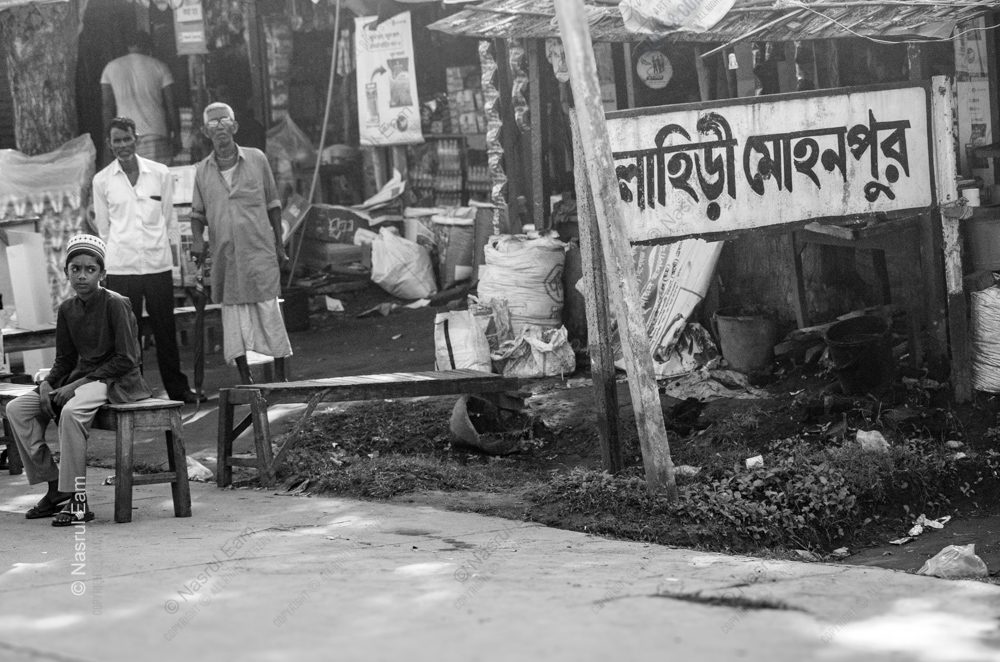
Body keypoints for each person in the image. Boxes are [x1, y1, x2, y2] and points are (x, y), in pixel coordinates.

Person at [9, 234, 151, 526]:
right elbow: (64, 359)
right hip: (80, 379)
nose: (82, 275)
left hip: (117, 381)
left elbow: (127, 358)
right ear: (67, 273)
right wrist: (47, 385)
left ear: (103, 274)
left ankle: (78, 500)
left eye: (90, 269)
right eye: (76, 269)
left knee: (72, 413)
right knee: (17, 410)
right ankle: (54, 486)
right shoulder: (67, 309)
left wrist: (74, 386)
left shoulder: (116, 304)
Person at [92, 116, 203, 404]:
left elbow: (169, 221)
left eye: (127, 138)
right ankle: (132, 390)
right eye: (116, 140)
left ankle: (178, 389)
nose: (123, 145)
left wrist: (177, 266)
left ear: (136, 139)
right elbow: (104, 229)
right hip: (122, 266)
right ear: (110, 144)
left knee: (165, 330)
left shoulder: (160, 173)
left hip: (157, 265)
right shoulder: (102, 180)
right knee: (128, 335)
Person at [190, 101, 292, 384]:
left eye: (225, 121)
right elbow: (197, 215)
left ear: (234, 127)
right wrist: (198, 240)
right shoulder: (201, 171)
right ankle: (247, 379)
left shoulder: (257, 159)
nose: (220, 127)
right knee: (234, 320)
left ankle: (282, 379)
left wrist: (279, 246)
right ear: (205, 131)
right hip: (226, 256)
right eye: (213, 123)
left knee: (269, 312)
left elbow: (273, 204)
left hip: (259, 252)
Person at [100, 30, 180, 165]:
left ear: (128, 46)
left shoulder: (110, 68)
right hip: (156, 132)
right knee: (158, 180)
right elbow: (171, 103)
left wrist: (109, 138)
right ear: (147, 45)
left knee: (132, 182)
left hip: (125, 136)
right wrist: (177, 134)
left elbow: (107, 106)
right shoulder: (160, 66)